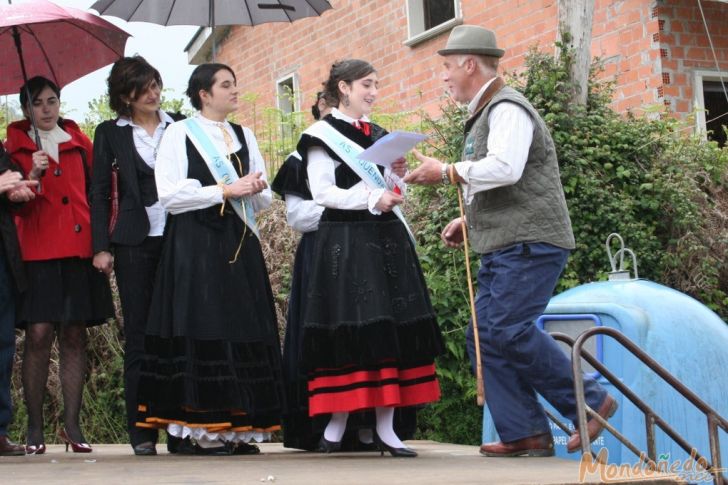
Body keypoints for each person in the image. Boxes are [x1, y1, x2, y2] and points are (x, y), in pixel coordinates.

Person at [404, 25, 617, 457]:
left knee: (506, 329)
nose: (443, 77)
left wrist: (446, 171)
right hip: (511, 242)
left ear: (470, 64)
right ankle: (526, 434)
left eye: (447, 67)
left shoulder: (507, 108)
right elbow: (502, 180)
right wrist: (470, 219)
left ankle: (591, 402)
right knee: (483, 336)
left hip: (531, 243)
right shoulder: (488, 112)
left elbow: (505, 168)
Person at [135, 63, 284, 455]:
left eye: (234, 84)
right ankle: (197, 433)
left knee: (239, 327)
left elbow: (263, 198)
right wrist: (224, 190)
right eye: (226, 85)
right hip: (196, 245)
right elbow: (170, 194)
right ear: (204, 93)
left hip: (239, 242)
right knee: (204, 326)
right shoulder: (180, 133)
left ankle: (236, 430)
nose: (235, 91)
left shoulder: (244, 134)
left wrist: (253, 188)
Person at [297, 59, 444, 458]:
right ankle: (337, 422)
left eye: (376, 84)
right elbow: (322, 192)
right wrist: (369, 197)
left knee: (389, 328)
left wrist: (397, 177)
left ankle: (386, 428)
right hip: (345, 241)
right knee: (349, 326)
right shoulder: (320, 135)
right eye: (366, 84)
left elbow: (394, 192)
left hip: (385, 238)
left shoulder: (379, 134)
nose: (373, 91)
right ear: (343, 87)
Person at [5, 76, 115, 454]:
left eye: (53, 100)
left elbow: (99, 195)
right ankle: (35, 428)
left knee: (74, 334)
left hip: (80, 250)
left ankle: (72, 425)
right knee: (37, 335)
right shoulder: (13, 150)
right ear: (25, 110)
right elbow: (14, 204)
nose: (47, 109)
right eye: (38, 103)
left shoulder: (81, 144)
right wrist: (31, 174)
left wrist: (103, 245)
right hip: (37, 253)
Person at [89, 56, 184, 456]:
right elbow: (98, 192)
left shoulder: (179, 123)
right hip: (133, 241)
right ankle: (142, 430)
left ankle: (184, 428)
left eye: (156, 85)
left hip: (181, 238)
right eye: (143, 88)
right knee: (140, 337)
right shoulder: (109, 133)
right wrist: (100, 246)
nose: (153, 93)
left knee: (182, 332)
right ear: (124, 95)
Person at [0, 142, 37, 456]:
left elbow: (11, 189)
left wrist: (18, 192)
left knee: (2, 345)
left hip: (3, 258)